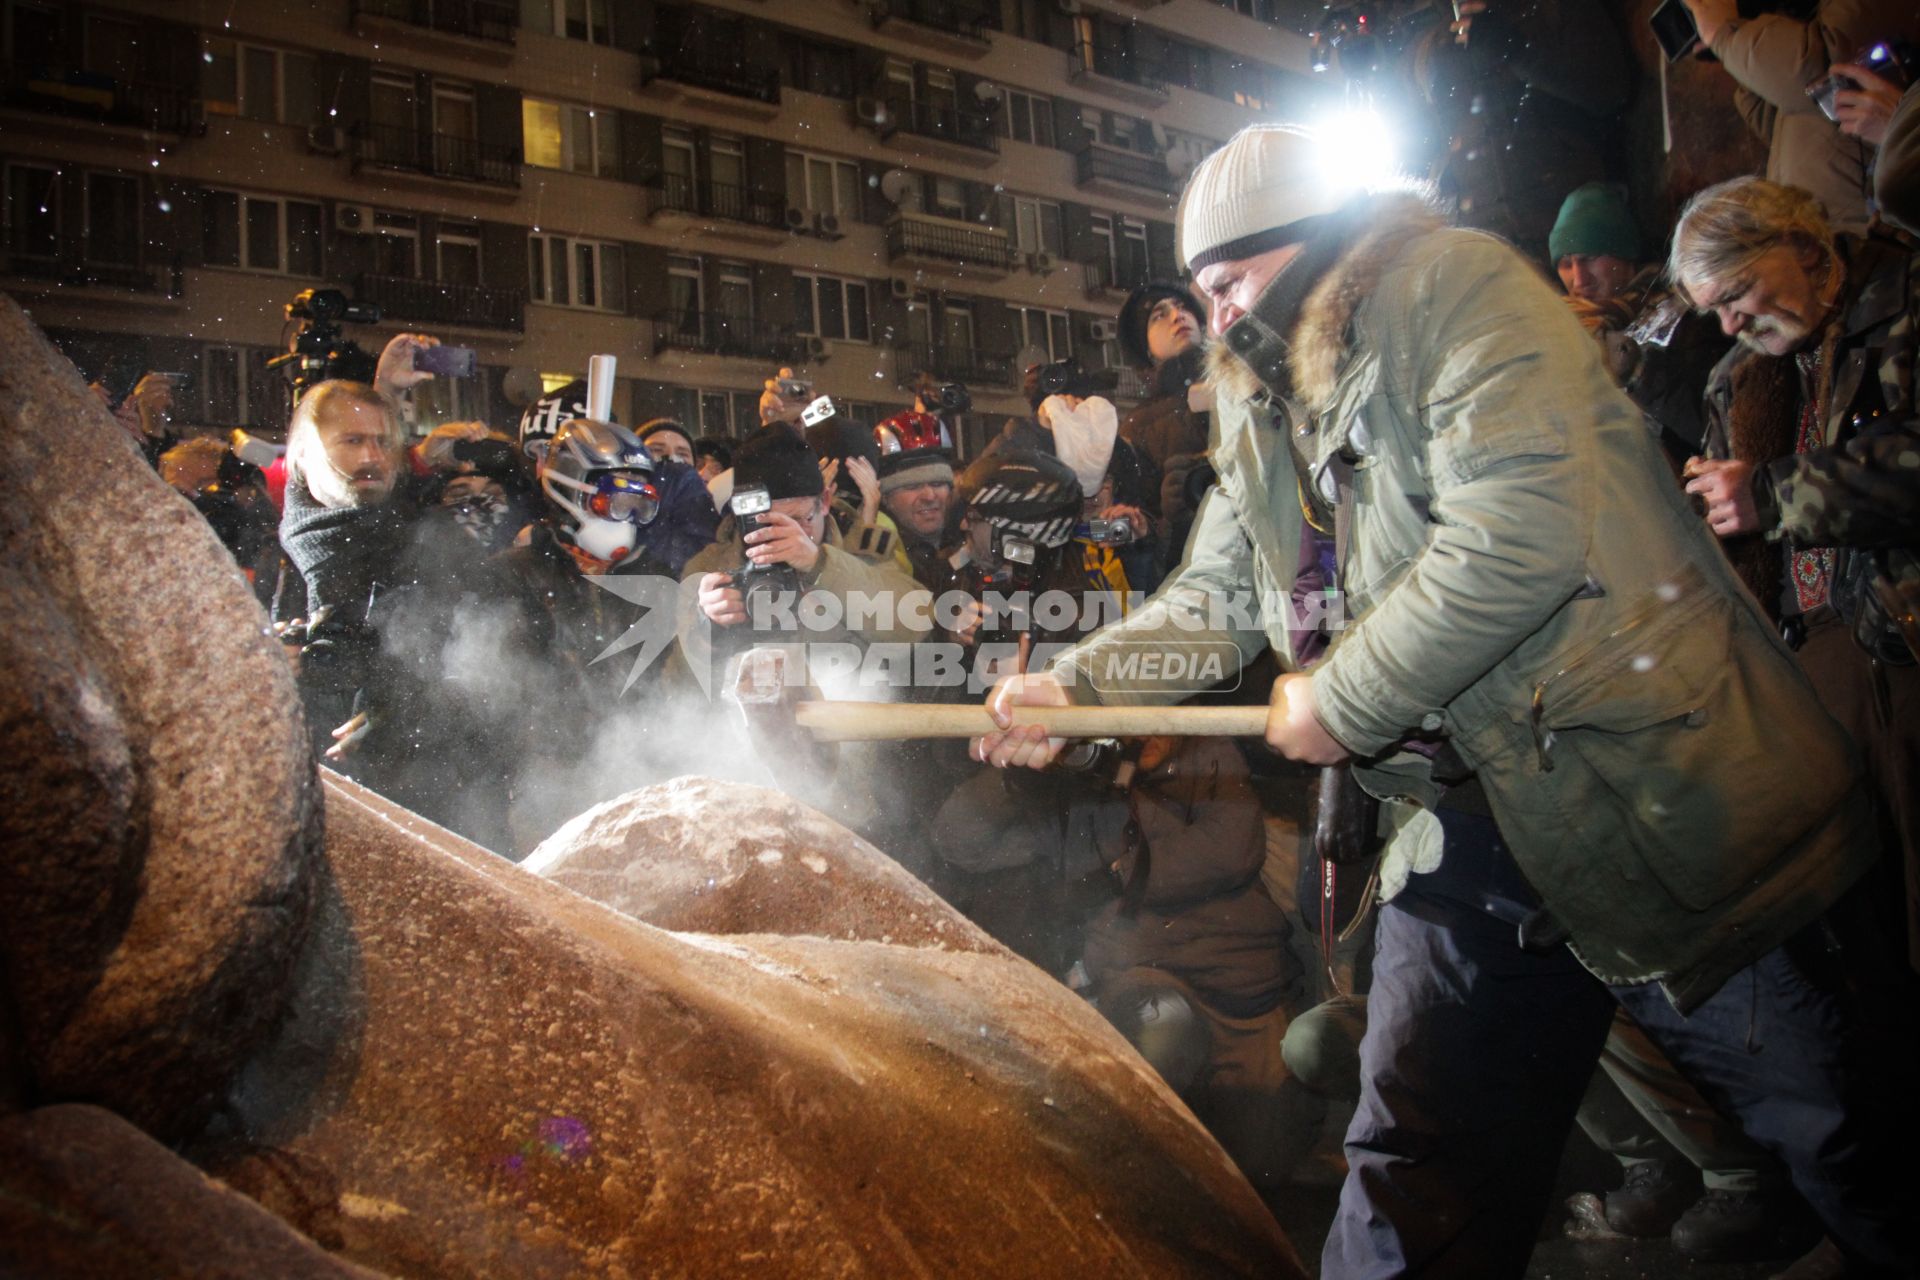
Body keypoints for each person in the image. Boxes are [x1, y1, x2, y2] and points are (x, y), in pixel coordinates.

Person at [975, 123, 1909, 1279]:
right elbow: (1216, 599)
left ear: (1307, 245)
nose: (1214, 321)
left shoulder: (1457, 290)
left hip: (1665, 797)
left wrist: (1346, 695)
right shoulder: (1268, 409)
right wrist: (1072, 688)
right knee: (1418, 1169)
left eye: (1227, 284)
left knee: (1857, 1139)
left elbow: (1521, 532)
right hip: (1475, 827)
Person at [1678, 177, 1919, 987]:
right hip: (1809, 676)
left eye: (1737, 293)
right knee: (1862, 949)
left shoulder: (1904, 299)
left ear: (1806, 247)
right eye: (1713, 310)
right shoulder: (1738, 380)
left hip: (1906, 658)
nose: (1731, 324)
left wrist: (1773, 494)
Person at [1679, 0, 1919, 234]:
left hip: (1875, 241)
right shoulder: (1809, 12)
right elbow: (1790, 120)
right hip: (1836, 239)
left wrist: (1728, 33)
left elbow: (1822, 69)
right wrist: (1739, 44)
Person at [1548, 182, 1733, 470]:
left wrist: (1638, 370)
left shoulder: (1689, 319)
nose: (1578, 277)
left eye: (1589, 258)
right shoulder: (1559, 329)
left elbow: (1720, 429)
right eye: (1565, 263)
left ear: (1625, 253)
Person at [1116, 282, 1214, 561]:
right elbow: (1133, 526)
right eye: (1160, 314)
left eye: (1182, 308)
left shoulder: (1242, 383)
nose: (1177, 316)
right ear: (1145, 347)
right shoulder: (1138, 427)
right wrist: (1169, 516)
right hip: (1193, 570)